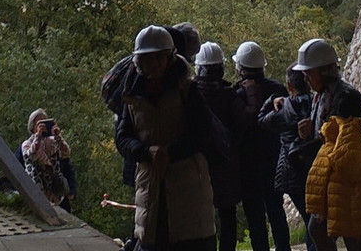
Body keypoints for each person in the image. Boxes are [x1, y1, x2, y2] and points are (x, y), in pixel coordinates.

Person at [115, 25, 217, 251]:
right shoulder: (132, 94)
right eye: (146, 59)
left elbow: (202, 133)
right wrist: (146, 152)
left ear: (170, 58)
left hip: (189, 186)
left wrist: (170, 152)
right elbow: (122, 138)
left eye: (158, 59)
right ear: (138, 62)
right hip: (150, 189)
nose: (153, 65)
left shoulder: (187, 90)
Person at [294, 39, 361, 251]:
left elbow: (344, 141)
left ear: (324, 71)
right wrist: (310, 131)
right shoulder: (322, 96)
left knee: (352, 235)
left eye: (309, 73)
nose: (305, 78)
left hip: (345, 176)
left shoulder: (347, 97)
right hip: (331, 176)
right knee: (326, 231)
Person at [232, 41, 291, 251]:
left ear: (239, 67)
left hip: (248, 165)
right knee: (276, 210)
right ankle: (283, 247)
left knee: (255, 217)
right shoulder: (278, 89)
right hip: (274, 160)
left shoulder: (236, 94)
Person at [193, 42, 246, 251]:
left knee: (198, 217)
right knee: (227, 214)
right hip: (226, 163)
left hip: (198, 165)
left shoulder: (190, 95)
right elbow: (242, 126)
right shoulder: (230, 95)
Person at [258, 66, 316, 251]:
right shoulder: (318, 102)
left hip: (290, 172)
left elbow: (261, 120)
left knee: (310, 220)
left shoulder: (284, 109)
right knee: (314, 219)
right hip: (314, 167)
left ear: (289, 85)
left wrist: (271, 101)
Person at [21, 108, 72, 207]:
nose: (43, 126)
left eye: (45, 122)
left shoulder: (53, 141)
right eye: (40, 123)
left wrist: (58, 136)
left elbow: (66, 153)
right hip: (37, 188)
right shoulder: (27, 144)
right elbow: (31, 156)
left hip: (54, 188)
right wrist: (38, 137)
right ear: (32, 126)